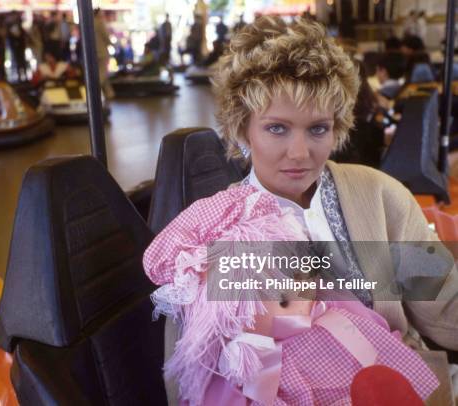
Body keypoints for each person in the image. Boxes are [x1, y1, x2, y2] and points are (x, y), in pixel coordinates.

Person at [147, 16, 458, 405]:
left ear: (337, 128)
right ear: (243, 129)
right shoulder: (216, 233)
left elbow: (444, 299)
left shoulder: (381, 197)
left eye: (317, 129)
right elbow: (190, 373)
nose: (300, 153)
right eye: (277, 128)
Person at [93, 9, 114, 99]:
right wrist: (111, 44)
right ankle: (95, 91)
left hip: (93, 52)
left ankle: (110, 93)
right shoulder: (99, 22)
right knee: (103, 73)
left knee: (101, 73)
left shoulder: (89, 22)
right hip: (102, 51)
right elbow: (105, 36)